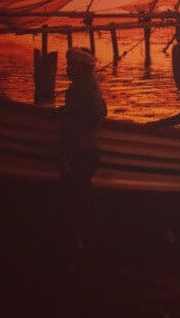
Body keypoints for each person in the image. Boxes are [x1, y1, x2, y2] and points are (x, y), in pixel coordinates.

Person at [56, 47, 107, 254]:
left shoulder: (77, 90)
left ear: (82, 67)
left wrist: (65, 154)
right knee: (83, 194)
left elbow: (74, 125)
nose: (68, 69)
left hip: (79, 152)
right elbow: (101, 111)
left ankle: (77, 242)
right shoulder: (94, 88)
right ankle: (85, 239)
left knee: (73, 196)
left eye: (72, 65)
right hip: (92, 151)